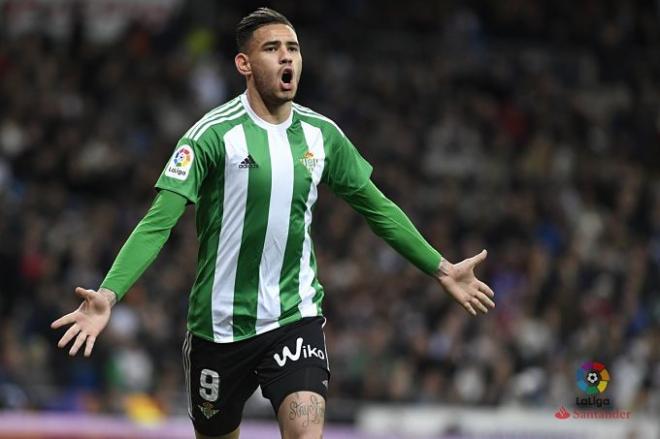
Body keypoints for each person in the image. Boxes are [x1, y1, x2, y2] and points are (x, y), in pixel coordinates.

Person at [51, 7, 495, 439]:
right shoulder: (211, 134)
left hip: (294, 316)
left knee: (306, 430)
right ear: (244, 63)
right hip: (218, 327)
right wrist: (108, 294)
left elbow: (376, 208)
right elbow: (157, 223)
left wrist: (441, 267)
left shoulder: (323, 135)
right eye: (272, 48)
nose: (287, 57)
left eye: (293, 48)